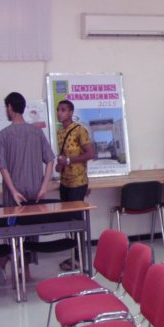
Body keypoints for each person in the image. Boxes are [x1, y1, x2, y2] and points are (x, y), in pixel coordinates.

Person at [0, 92, 55, 283]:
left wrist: (13, 191)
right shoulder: (36, 132)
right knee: (27, 231)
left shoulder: (4, 135)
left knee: (16, 231)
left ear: (10, 107)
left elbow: (2, 167)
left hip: (16, 193)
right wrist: (44, 186)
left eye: (6, 107)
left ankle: (17, 266)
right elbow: (50, 160)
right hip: (35, 191)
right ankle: (13, 266)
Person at [54, 99, 95, 270]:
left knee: (77, 220)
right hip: (64, 181)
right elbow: (62, 156)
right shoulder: (59, 133)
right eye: (58, 110)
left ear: (71, 112)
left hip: (78, 182)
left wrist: (70, 160)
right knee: (69, 220)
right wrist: (60, 165)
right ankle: (73, 255)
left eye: (63, 110)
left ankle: (80, 258)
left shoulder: (79, 130)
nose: (60, 113)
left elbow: (91, 153)